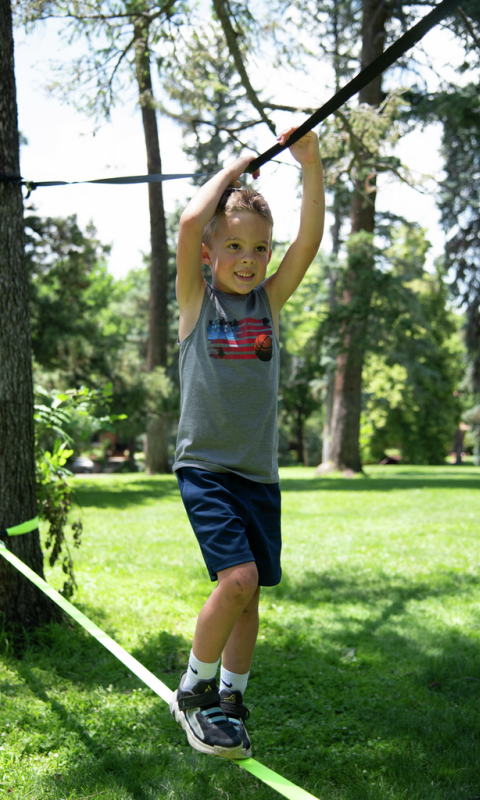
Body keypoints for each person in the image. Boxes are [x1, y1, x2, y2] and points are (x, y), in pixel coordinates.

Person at [169, 126, 325, 759]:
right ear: (210, 254)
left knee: (250, 592)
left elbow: (310, 239)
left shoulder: (269, 301)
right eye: (232, 244)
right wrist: (236, 168)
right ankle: (195, 692)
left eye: (259, 248)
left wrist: (309, 165)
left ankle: (232, 696)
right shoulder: (195, 305)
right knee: (236, 580)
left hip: (258, 475)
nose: (247, 258)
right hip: (205, 468)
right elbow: (187, 223)